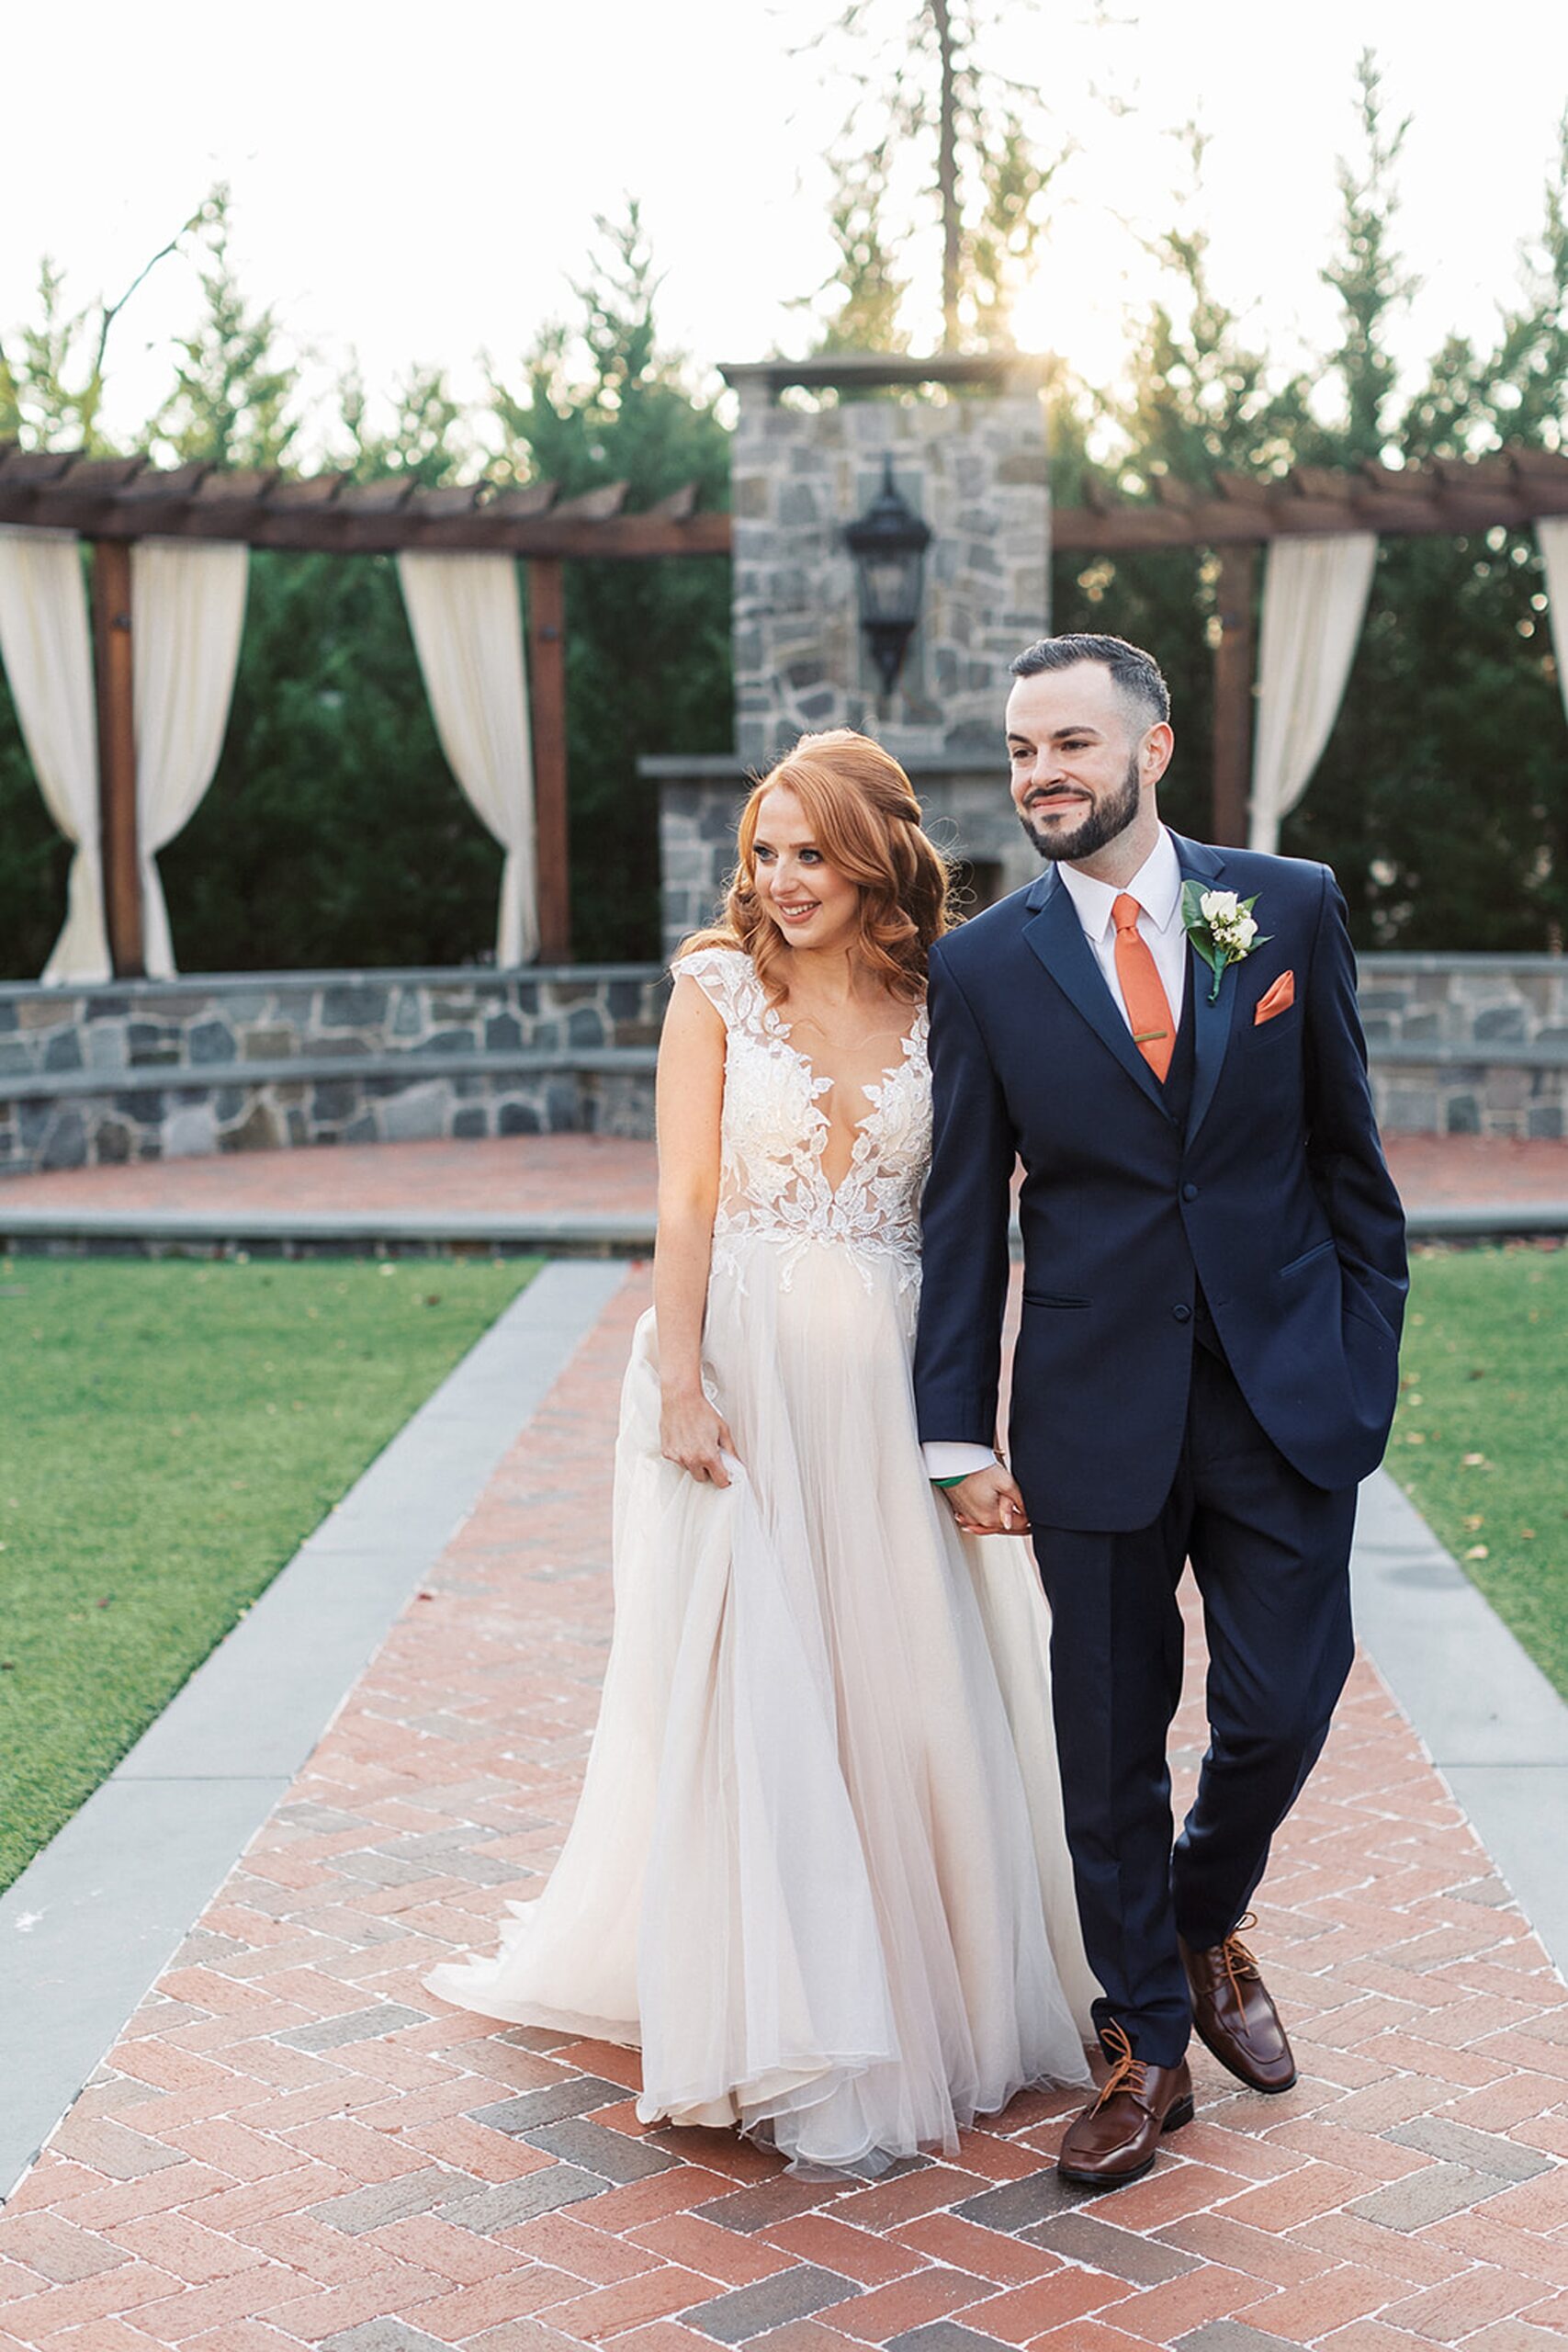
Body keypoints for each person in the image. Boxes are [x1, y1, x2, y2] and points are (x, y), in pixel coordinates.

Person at [427, 729, 1094, 2175]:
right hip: (739, 1371)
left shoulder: (945, 998)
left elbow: (979, 1212)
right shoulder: (716, 990)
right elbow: (682, 1198)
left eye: (811, 853)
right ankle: (772, 2007)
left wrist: (977, 1410)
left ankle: (948, 1981)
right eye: (765, 853)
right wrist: (679, 1382)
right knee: (759, 1674)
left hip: (893, 1384)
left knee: (911, 1676)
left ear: (876, 860)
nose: (781, 880)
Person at [915, 633, 1407, 2190]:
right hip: (1092, 1405)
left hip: (1280, 1396)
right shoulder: (984, 968)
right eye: (1018, 751)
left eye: (1070, 743)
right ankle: (1143, 2048)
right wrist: (956, 1433)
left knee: (1280, 1706)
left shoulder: (1289, 908)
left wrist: (1361, 1366)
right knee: (1108, 1735)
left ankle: (1200, 1917)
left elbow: (1354, 1171)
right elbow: (957, 1213)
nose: (1041, 773)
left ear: (1153, 749)